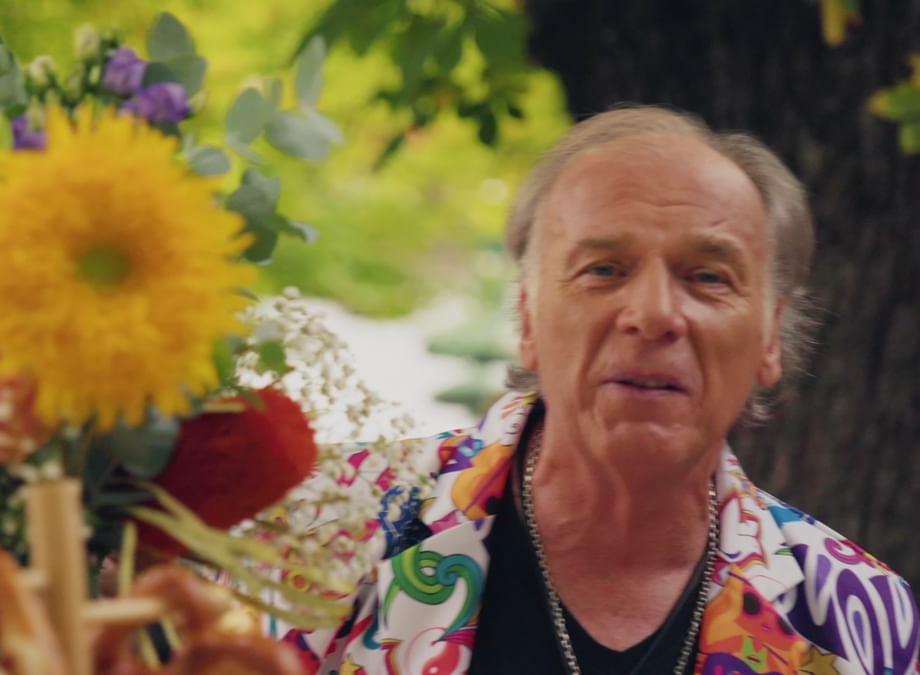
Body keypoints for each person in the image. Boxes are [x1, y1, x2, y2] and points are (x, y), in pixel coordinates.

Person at [276, 107, 919, 674]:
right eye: (604, 269)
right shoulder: (318, 529)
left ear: (770, 337)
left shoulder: (856, 616)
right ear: (527, 319)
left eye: (707, 277)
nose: (654, 314)